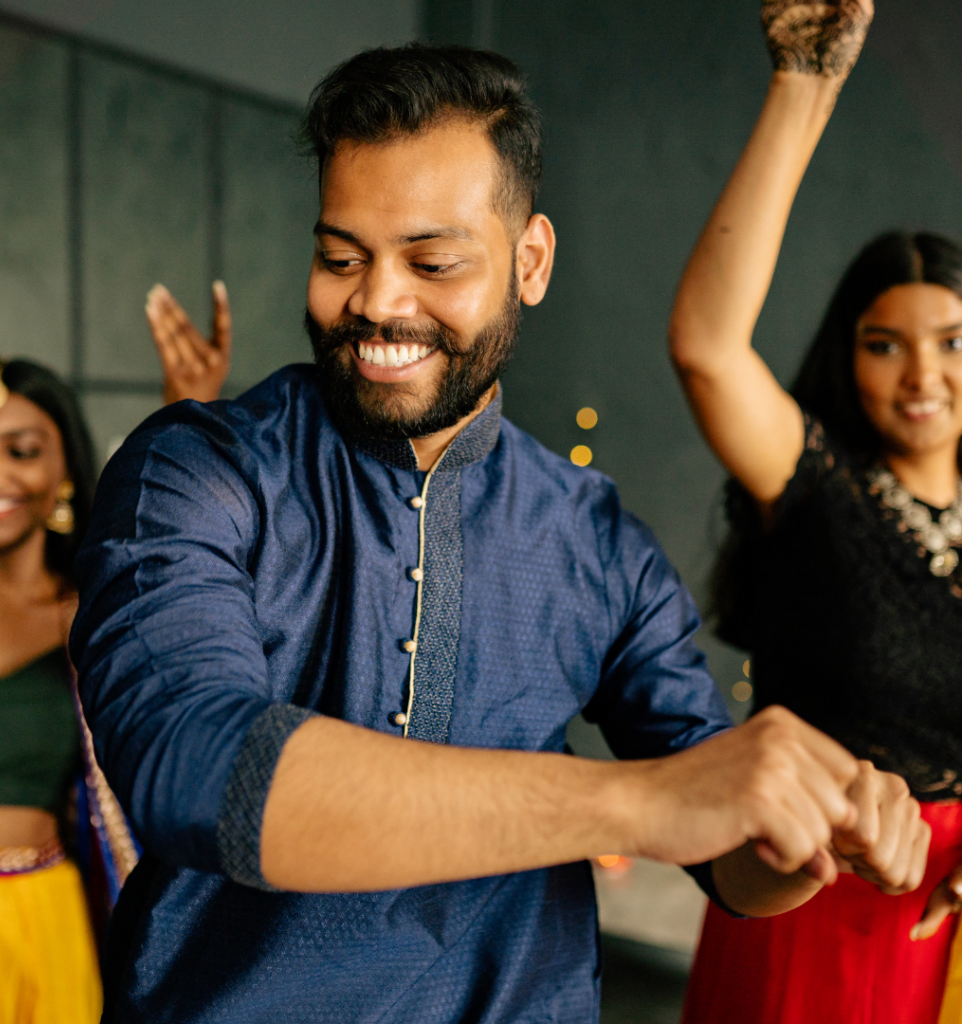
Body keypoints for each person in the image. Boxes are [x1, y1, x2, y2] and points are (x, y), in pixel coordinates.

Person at [71, 43, 929, 1024]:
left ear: (530, 262)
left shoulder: (596, 540)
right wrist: (634, 802)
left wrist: (814, 834)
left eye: (431, 261)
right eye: (340, 256)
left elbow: (729, 860)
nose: (377, 302)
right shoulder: (195, 469)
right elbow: (194, 764)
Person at [667, 2, 962, 1022]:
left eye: (952, 341)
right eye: (885, 343)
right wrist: (804, 82)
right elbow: (706, 346)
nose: (922, 373)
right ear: (848, 356)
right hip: (811, 904)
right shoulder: (818, 485)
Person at [0, 286, 230, 1024]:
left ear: (64, 472)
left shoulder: (92, 609)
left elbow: (170, 563)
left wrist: (182, 415)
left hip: (56, 915)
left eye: (21, 451)